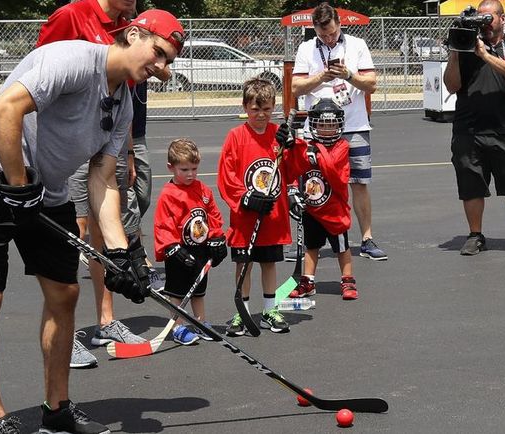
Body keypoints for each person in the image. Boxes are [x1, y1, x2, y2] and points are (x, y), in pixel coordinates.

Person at [0, 10, 183, 434]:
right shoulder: (73, 61)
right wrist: (18, 185)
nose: (162, 67)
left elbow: (102, 180)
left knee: (64, 294)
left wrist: (119, 251)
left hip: (48, 191)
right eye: (158, 53)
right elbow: (4, 110)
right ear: (133, 34)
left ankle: (56, 409)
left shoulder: (123, 107)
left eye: (169, 61)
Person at [36, 0, 169, 365]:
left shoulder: (130, 26)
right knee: (73, 229)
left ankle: (106, 320)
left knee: (104, 231)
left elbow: (120, 98)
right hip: (69, 146)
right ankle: (67, 331)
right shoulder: (72, 15)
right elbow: (38, 80)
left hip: (107, 144)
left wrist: (124, 149)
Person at [291, 2, 387, 261]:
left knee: (359, 182)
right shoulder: (306, 49)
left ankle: (367, 238)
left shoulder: (357, 45)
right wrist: (321, 77)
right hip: (317, 130)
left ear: (339, 24)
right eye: (323, 35)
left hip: (354, 125)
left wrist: (347, 75)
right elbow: (296, 88)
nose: (329, 38)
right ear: (314, 29)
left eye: (332, 33)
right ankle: (311, 242)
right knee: (314, 184)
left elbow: (371, 85)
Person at [443, 0, 505, 257]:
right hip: (468, 130)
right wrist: (455, 50)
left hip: (504, 130)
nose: (483, 24)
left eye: (489, 19)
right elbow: (451, 86)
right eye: (479, 19)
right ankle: (475, 235)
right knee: (471, 186)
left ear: (502, 19)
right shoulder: (464, 50)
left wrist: (485, 55)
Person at [217, 77, 302, 336]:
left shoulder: (280, 135)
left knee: (269, 263)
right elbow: (226, 174)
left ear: (274, 107)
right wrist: (245, 198)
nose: (261, 115)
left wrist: (292, 145)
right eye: (255, 109)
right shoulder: (236, 137)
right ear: (245, 107)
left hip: (272, 217)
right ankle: (241, 311)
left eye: (266, 109)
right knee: (244, 265)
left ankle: (269, 309)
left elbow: (294, 168)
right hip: (246, 218)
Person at [153, 138, 227, 345]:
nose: (190, 174)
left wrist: (217, 238)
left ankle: (200, 322)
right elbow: (163, 225)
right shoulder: (168, 195)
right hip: (179, 251)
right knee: (177, 292)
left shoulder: (203, 190)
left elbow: (212, 216)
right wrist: (172, 248)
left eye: (194, 168)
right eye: (184, 169)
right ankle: (177, 327)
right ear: (171, 167)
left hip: (200, 249)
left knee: (199, 289)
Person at [283, 98, 359, 301]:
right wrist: (292, 145)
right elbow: (294, 168)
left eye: (332, 125)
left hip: (335, 211)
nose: (327, 129)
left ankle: (347, 279)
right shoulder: (308, 147)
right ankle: (307, 281)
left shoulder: (342, 146)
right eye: (323, 125)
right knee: (312, 246)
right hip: (313, 209)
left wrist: (319, 154)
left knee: (341, 247)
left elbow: (337, 176)